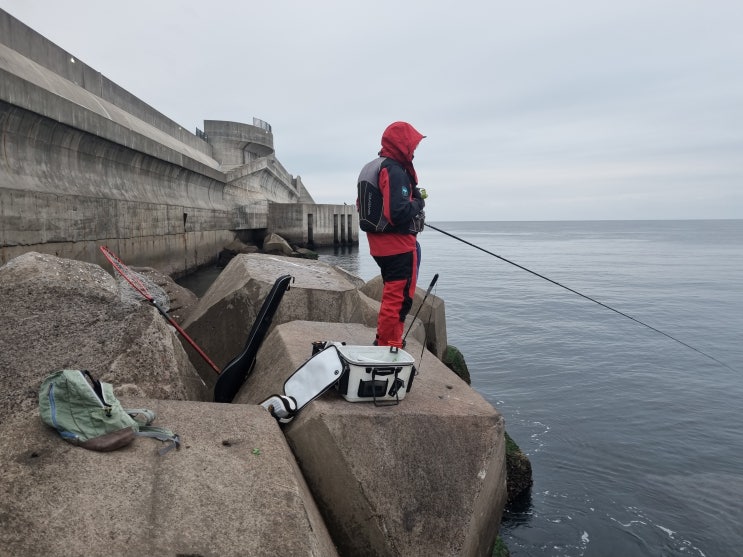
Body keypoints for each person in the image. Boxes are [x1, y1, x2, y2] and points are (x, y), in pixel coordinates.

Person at [357, 121, 427, 348]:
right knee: (398, 301)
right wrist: (418, 202)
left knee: (392, 297)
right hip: (398, 246)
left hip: (379, 246)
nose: (414, 150)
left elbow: (361, 204)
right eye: (413, 145)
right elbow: (397, 213)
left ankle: (385, 340)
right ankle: (388, 346)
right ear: (402, 144)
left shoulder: (372, 167)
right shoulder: (394, 170)